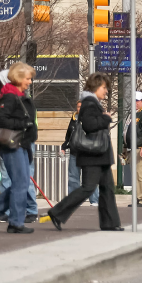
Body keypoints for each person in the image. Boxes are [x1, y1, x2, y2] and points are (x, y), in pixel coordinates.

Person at [47, 74, 122, 231]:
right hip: (92, 155)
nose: (106, 91)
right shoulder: (89, 103)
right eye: (103, 88)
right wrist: (106, 118)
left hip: (100, 155)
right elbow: (89, 125)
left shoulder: (92, 103)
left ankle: (110, 223)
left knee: (107, 188)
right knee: (88, 188)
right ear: (95, 87)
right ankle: (57, 212)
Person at [0, 62, 38, 234]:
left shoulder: (18, 95)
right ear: (19, 78)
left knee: (20, 182)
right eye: (28, 78)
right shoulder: (10, 97)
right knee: (21, 182)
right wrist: (23, 124)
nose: (30, 82)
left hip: (21, 144)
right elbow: (0, 120)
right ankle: (15, 222)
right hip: (13, 145)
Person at [62, 100, 99, 207]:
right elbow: (69, 135)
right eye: (78, 107)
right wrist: (64, 146)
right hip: (75, 153)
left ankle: (94, 200)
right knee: (73, 178)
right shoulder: (74, 119)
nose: (80, 109)